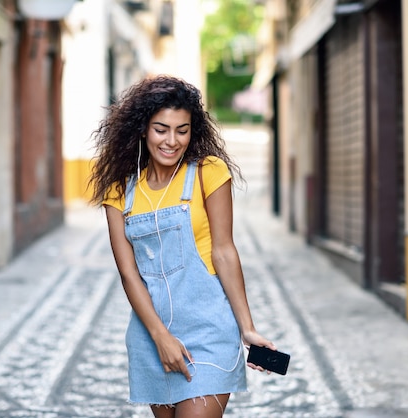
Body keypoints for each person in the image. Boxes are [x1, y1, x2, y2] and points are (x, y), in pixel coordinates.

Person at [88, 75, 275, 418]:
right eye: (161, 129)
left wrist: (247, 328)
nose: (172, 141)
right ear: (143, 129)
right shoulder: (120, 190)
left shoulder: (208, 172)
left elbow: (224, 251)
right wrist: (160, 337)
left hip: (210, 330)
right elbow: (129, 275)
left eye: (182, 130)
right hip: (151, 337)